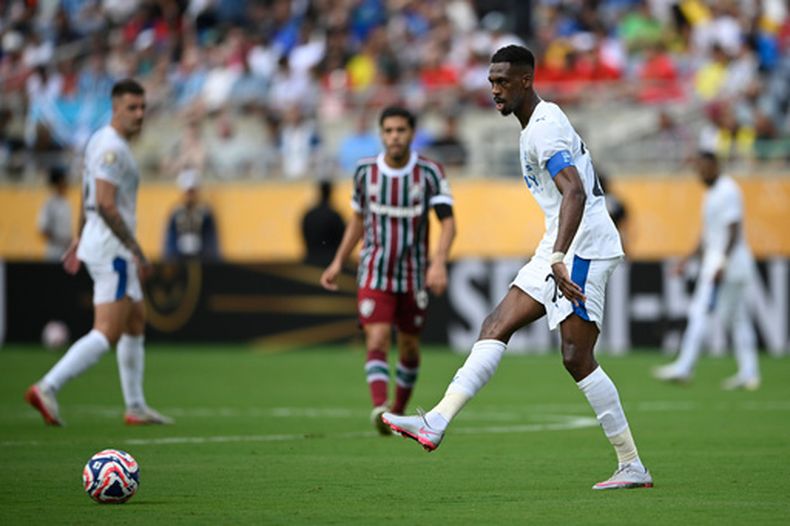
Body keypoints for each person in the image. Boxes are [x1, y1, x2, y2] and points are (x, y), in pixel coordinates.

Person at [383, 46, 653, 491]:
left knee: (576, 357)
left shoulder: (543, 130)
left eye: (503, 81)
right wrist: (554, 252)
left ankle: (631, 464)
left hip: (583, 246)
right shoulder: (538, 124)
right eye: (491, 81)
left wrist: (559, 257)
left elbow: (574, 192)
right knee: (496, 324)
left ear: (526, 80)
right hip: (560, 243)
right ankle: (437, 420)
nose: (495, 90)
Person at [25, 79, 172, 426]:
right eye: (132, 108)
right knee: (107, 331)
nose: (139, 114)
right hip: (112, 249)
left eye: (142, 107)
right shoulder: (113, 149)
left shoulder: (99, 141)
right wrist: (136, 250)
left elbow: (86, 192)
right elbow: (105, 204)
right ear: (115, 108)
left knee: (135, 319)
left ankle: (135, 406)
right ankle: (47, 386)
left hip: (101, 240)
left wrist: (79, 235)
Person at [320, 106, 456, 436]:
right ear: (381, 135)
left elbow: (448, 222)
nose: (395, 136)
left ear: (412, 134)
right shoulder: (365, 172)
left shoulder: (429, 173)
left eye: (401, 130)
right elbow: (357, 220)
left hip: (414, 275)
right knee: (378, 337)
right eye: (389, 131)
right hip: (374, 272)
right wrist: (338, 261)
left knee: (408, 346)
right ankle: (381, 409)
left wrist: (438, 262)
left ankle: (398, 411)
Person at [652, 151, 759, 390]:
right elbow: (708, 235)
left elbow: (734, 230)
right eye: (697, 169)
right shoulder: (714, 192)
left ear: (714, 165)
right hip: (729, 264)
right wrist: (686, 260)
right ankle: (749, 372)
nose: (699, 173)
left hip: (725, 265)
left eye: (702, 168)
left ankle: (685, 366)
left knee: (699, 312)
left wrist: (722, 262)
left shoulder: (727, 190)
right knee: (738, 319)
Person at [163, 169, 221, 261]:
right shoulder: (176, 212)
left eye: (192, 191)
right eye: (188, 192)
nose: (190, 195)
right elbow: (171, 238)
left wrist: (210, 258)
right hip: (179, 258)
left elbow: (211, 239)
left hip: (202, 258)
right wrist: (171, 257)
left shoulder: (205, 213)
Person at [301, 179, 345, 267]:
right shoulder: (335, 216)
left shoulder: (309, 215)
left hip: (310, 261)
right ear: (330, 192)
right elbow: (342, 239)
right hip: (331, 262)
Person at [38, 165, 73, 261]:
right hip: (54, 253)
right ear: (58, 183)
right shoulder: (49, 203)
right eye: (64, 181)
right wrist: (60, 240)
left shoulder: (66, 202)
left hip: (67, 252)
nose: (66, 184)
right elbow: (43, 229)